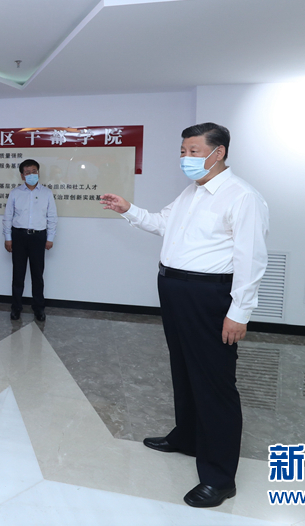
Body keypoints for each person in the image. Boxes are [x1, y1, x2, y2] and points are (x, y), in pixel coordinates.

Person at [100, 122, 269, 509]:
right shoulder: (192, 192)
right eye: (183, 151)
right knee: (184, 369)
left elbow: (252, 259)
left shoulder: (242, 197)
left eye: (194, 151)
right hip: (175, 290)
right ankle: (188, 437)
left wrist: (239, 312)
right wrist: (129, 210)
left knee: (214, 383)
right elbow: (164, 224)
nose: (185, 158)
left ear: (218, 152)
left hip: (209, 296)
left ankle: (219, 478)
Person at [2, 159, 57, 322]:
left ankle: (39, 308)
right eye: (27, 172)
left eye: (34, 171)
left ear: (38, 173)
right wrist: (8, 238)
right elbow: (7, 217)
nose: (31, 174)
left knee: (37, 275)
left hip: (39, 237)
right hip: (18, 236)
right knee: (18, 275)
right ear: (22, 175)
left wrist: (50, 238)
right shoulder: (15, 193)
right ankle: (16, 308)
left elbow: (52, 217)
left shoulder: (47, 193)